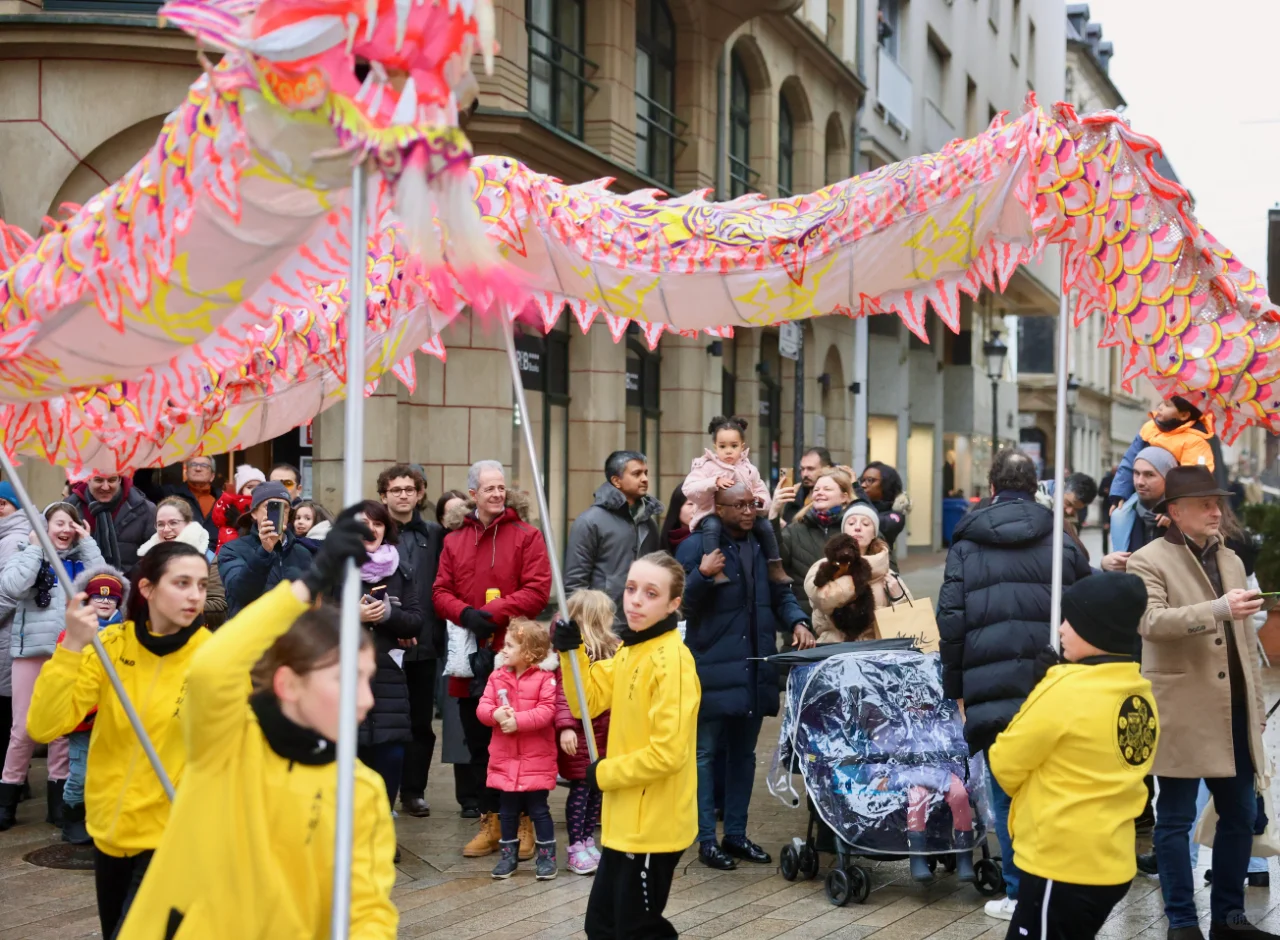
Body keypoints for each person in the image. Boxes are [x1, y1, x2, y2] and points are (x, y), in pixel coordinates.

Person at [115, 515, 398, 939]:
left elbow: (369, 908)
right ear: (288, 683)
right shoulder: (226, 740)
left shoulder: (361, 789)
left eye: (367, 678)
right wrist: (309, 583)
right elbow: (213, 667)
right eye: (344, 678)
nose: (366, 699)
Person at [936, 448, 1092, 922]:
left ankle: (1020, 889)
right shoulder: (1062, 540)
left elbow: (951, 620)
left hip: (989, 683)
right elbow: (1085, 606)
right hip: (1053, 681)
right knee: (1054, 785)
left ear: (992, 481)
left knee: (1005, 788)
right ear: (1035, 485)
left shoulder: (966, 542)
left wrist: (956, 688)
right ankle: (1058, 883)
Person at [27, 541, 211, 938]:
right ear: (146, 588)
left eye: (201, 584)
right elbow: (44, 726)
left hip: (173, 838)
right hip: (110, 833)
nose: (195, 595)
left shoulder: (213, 658)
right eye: (182, 583)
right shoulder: (110, 647)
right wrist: (72, 645)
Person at [1125, 465, 1276, 940]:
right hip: (1180, 709)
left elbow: (1246, 645)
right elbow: (1150, 622)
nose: (1217, 512)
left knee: (1240, 814)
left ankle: (1230, 918)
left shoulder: (1230, 558)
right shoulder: (1146, 561)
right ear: (1175, 511)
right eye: (1206, 504)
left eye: (1219, 503)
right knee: (1174, 818)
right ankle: (1183, 923)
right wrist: (1217, 609)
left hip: (1232, 708)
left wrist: (1255, 707)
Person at [988, 572, 1159, 939]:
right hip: (1110, 859)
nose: (1062, 629)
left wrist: (1043, 689)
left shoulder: (1064, 689)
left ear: (1095, 631)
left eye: (1072, 621)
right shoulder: (1139, 691)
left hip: (1062, 864)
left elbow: (1004, 763)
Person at [554, 553, 700, 938]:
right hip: (624, 822)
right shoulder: (631, 649)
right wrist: (572, 654)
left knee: (636, 929)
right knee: (602, 925)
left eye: (650, 593)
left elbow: (668, 754)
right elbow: (589, 698)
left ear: (672, 604)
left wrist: (604, 773)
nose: (635, 600)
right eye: (631, 588)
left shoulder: (673, 662)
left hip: (654, 825)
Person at [676, 483, 814, 870]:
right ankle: (707, 839)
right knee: (705, 755)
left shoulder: (763, 547)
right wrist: (703, 575)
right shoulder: (696, 547)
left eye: (753, 504)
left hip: (755, 665)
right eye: (738, 506)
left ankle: (735, 834)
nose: (749, 511)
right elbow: (679, 602)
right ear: (718, 507)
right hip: (712, 668)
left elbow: (781, 593)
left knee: (744, 755)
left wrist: (798, 621)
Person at [433, 460, 552, 859]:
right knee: (480, 744)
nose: (497, 494)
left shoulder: (527, 536)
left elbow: (538, 590)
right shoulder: (453, 541)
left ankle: (523, 824)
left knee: (518, 744)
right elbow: (439, 591)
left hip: (516, 656)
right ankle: (492, 822)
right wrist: (465, 614)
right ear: (472, 495)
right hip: (470, 658)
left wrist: (496, 612)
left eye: (501, 487)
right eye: (489, 489)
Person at [0, 502, 104, 830]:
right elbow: (14, 586)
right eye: (57, 523)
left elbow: (105, 583)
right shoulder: (26, 551)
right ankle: (7, 796)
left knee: (63, 728)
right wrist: (34, 547)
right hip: (30, 652)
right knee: (23, 729)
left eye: (70, 524)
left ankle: (58, 801)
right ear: (44, 527)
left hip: (69, 653)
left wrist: (87, 544)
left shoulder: (80, 558)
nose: (63, 530)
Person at [377, 465, 444, 819]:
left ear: (419, 494)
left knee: (420, 722)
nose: (403, 495)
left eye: (409, 489)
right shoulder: (373, 532)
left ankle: (413, 790)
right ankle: (382, 790)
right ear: (384, 495)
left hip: (425, 642)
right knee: (386, 721)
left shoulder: (434, 534)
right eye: (395, 489)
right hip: (384, 643)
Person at [478, 618, 559, 880]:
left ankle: (546, 858)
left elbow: (547, 711)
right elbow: (483, 707)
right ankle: (508, 857)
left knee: (539, 810)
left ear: (530, 652)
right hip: (506, 758)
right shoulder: (496, 676)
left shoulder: (545, 679)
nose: (503, 649)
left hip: (536, 759)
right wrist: (496, 714)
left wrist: (519, 721)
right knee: (508, 810)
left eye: (510, 646)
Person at [55, 566, 128, 846]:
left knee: (113, 770)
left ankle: (105, 816)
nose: (105, 601)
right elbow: (62, 674)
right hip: (84, 718)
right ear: (88, 599)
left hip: (116, 718)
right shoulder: (72, 633)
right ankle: (73, 816)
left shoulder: (126, 634)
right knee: (81, 772)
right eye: (99, 597)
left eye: (110, 598)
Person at [554, 590, 618, 875]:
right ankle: (575, 846)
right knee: (581, 789)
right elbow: (563, 693)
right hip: (581, 735)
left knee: (596, 790)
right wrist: (566, 726)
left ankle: (588, 839)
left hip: (605, 733)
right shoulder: (570, 651)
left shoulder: (614, 649)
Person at [683, 416, 787, 583]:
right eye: (723, 446)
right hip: (712, 513)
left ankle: (775, 564)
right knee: (712, 526)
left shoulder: (749, 469)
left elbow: (762, 493)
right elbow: (688, 488)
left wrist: (757, 501)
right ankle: (715, 567)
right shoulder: (706, 466)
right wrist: (714, 482)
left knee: (765, 526)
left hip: (745, 517)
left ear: (742, 446)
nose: (728, 451)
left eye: (734, 446)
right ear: (715, 447)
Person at [564, 451, 664, 621]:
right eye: (636, 473)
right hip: (604, 625)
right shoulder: (589, 522)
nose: (645, 479)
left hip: (642, 621)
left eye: (645, 473)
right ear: (616, 481)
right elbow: (575, 584)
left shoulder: (649, 523)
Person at [805, 503, 913, 643]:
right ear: (844, 531)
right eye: (851, 523)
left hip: (875, 653)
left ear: (874, 533)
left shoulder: (887, 574)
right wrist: (860, 574)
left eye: (866, 524)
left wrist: (899, 597)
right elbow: (822, 599)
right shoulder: (823, 566)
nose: (857, 527)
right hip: (834, 651)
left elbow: (909, 618)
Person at [217, 481, 315, 618]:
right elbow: (241, 593)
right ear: (254, 513)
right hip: (251, 633)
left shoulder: (302, 552)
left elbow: (312, 600)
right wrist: (264, 551)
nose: (278, 513)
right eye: (269, 507)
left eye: (284, 507)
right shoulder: (232, 549)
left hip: (293, 634)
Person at [772, 467, 857, 614]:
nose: (819, 493)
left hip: (848, 620)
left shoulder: (857, 527)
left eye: (827, 489)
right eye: (816, 490)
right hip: (804, 619)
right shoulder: (796, 529)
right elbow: (776, 559)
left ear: (844, 496)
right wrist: (773, 514)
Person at [137, 496, 228, 629]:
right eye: (160, 524)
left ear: (188, 524)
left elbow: (219, 606)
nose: (166, 529)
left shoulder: (208, 559)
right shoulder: (146, 560)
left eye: (173, 523)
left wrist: (177, 607)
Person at [1110, 396, 1215, 506]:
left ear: (1184, 415)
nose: (1160, 407)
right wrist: (1120, 493)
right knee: (1119, 518)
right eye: (1161, 403)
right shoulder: (1149, 428)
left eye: (1167, 405)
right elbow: (1129, 461)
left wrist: (1173, 507)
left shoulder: (1195, 442)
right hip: (1141, 497)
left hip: (1173, 502)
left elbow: (1192, 480)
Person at [1104, 446, 1176, 571]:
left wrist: (1177, 530)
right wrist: (1106, 564)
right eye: (1136, 473)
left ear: (1168, 478)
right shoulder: (1124, 515)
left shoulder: (1184, 519)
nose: (1139, 482)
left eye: (1149, 475)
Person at [67, 473, 157, 571]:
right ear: (87, 479)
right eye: (99, 480)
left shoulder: (145, 510)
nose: (105, 487)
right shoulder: (70, 508)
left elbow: (155, 556)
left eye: (111, 480)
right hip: (80, 582)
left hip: (129, 583)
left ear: (120, 480)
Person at [0, 481, 27, 774]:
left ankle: (11, 784)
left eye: (3, 504)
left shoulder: (13, 538)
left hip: (7, 637)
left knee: (8, 717)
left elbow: (8, 591)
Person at [858, 462, 910, 568]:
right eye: (862, 481)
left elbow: (873, 522)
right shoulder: (860, 505)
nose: (863, 485)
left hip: (883, 571)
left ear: (887, 484)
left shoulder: (896, 514)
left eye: (870, 480)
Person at [162, 456, 222, 546]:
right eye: (193, 464)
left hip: (216, 556)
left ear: (212, 476)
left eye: (204, 465)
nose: (198, 468)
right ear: (186, 472)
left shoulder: (223, 500)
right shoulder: (171, 494)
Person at [773, 446, 834, 525]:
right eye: (802, 469)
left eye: (810, 469)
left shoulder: (834, 498)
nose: (805, 474)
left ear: (827, 469)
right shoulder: (797, 495)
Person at [211, 464, 265, 551]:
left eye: (259, 486)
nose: (254, 490)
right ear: (241, 490)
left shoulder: (267, 504)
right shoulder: (231, 504)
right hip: (231, 542)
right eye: (249, 487)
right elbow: (218, 518)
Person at [658, 484, 694, 554]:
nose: (695, 510)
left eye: (700, 504)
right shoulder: (667, 538)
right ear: (677, 506)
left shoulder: (708, 537)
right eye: (690, 504)